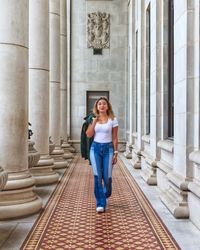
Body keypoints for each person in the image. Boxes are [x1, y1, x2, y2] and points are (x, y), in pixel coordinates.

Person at [86, 97, 118, 213]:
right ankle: (100, 203)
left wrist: (115, 152)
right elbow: (89, 135)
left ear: (107, 106)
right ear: (97, 107)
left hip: (108, 149)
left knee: (107, 176)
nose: (102, 105)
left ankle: (105, 194)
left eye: (104, 103)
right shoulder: (93, 119)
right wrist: (94, 122)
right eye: (99, 104)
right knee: (97, 176)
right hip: (95, 149)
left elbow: (114, 138)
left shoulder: (113, 119)